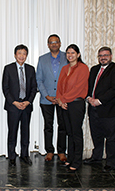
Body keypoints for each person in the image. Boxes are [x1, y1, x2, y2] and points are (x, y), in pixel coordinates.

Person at [84, 46, 115, 172]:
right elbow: (89, 86)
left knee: (111, 138)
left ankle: (111, 162)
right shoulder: (94, 69)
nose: (103, 58)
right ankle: (96, 157)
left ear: (111, 56)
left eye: (106, 55)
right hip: (94, 109)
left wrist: (99, 101)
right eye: (101, 56)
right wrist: (89, 98)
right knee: (96, 135)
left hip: (111, 110)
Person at [2, 44, 37, 166]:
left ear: (26, 55)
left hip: (26, 106)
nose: (22, 56)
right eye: (19, 53)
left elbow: (34, 88)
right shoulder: (8, 68)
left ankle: (25, 155)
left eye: (24, 54)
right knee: (12, 132)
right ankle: (11, 156)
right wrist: (15, 102)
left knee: (25, 132)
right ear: (15, 55)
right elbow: (5, 88)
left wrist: (28, 101)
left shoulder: (31, 69)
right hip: (13, 106)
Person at [56, 44, 89, 172]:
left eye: (73, 53)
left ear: (78, 55)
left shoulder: (83, 68)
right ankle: (70, 158)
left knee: (76, 133)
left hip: (76, 104)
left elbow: (78, 89)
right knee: (69, 133)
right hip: (64, 104)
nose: (70, 55)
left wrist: (63, 99)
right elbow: (59, 86)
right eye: (68, 53)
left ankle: (77, 160)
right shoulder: (64, 68)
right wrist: (60, 100)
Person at [36, 34, 68, 162]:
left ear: (60, 43)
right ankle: (49, 150)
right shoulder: (42, 59)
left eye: (56, 42)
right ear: (48, 45)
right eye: (51, 42)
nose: (54, 44)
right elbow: (39, 79)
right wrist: (47, 96)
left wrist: (61, 97)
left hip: (63, 99)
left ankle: (61, 151)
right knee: (48, 126)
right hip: (46, 99)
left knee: (63, 126)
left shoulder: (68, 57)